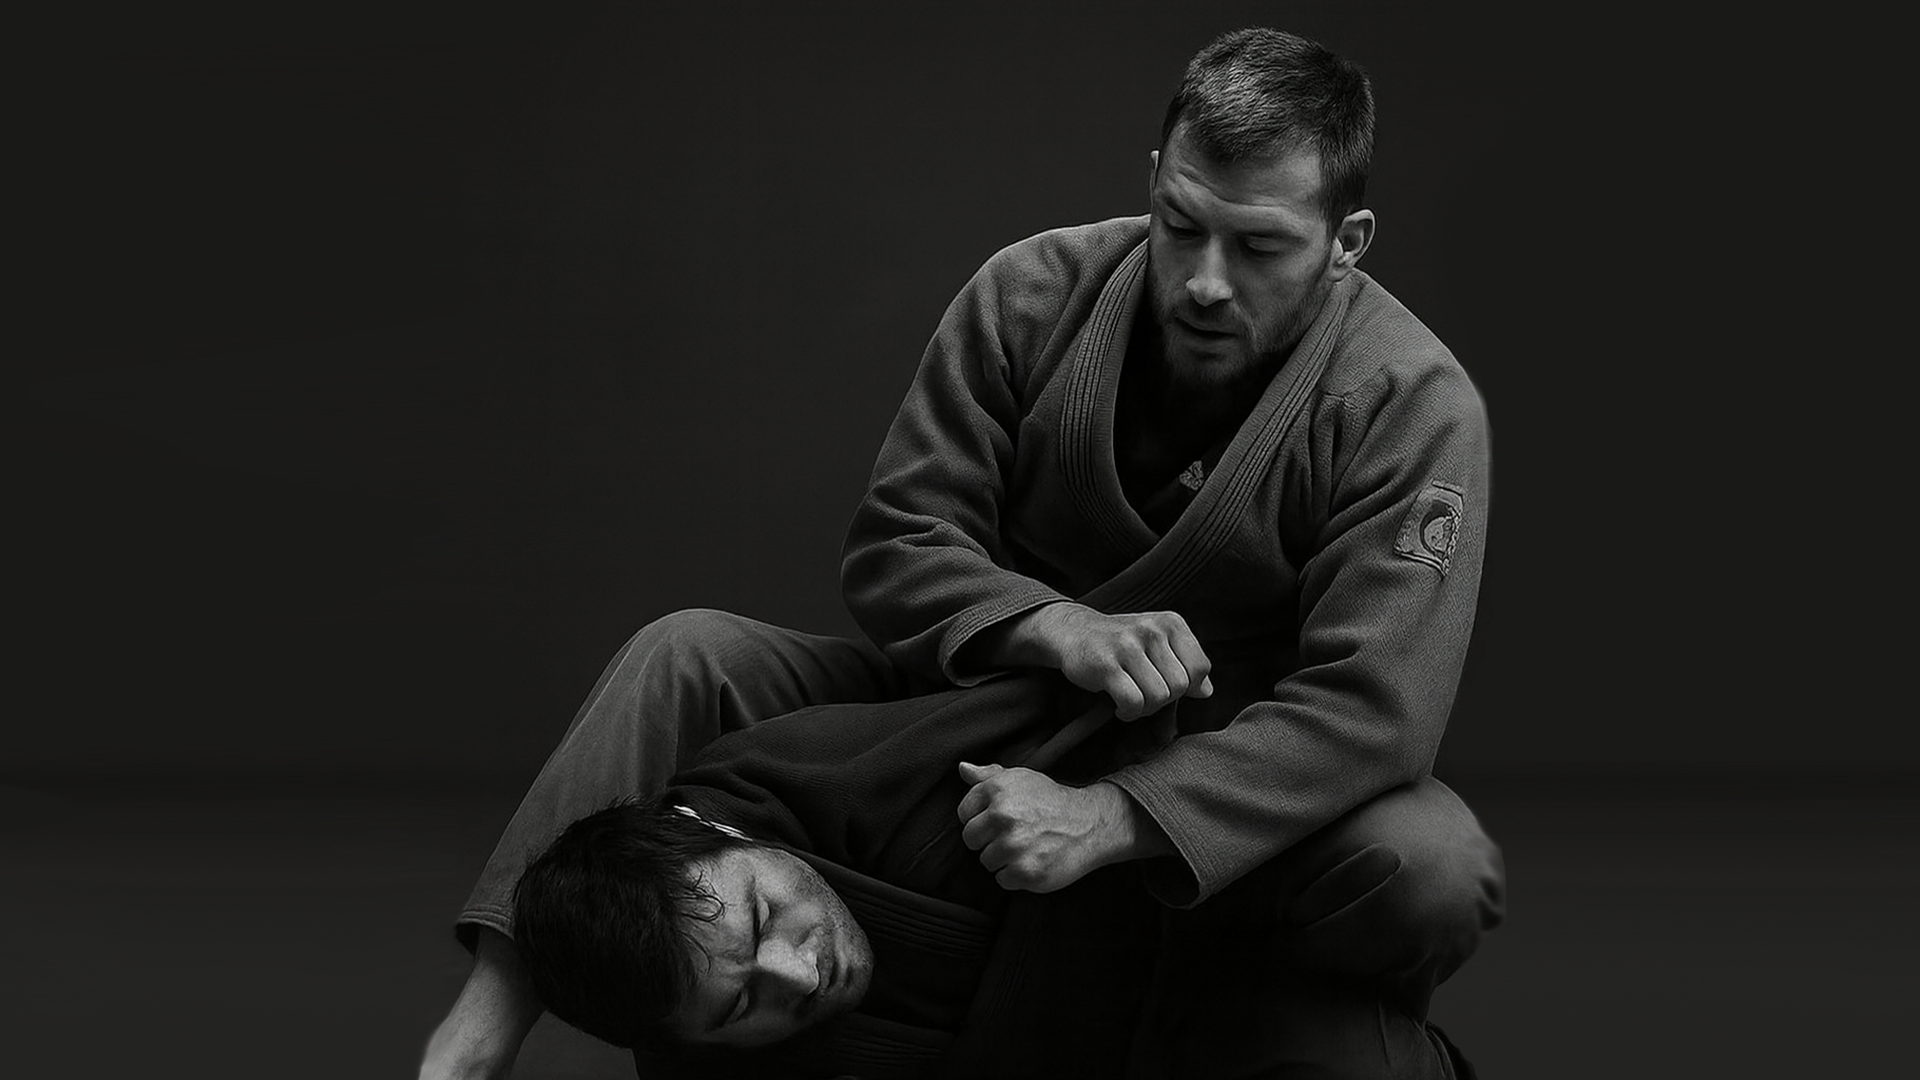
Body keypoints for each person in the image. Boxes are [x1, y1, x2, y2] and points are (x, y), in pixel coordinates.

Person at [420, 25, 1503, 1079]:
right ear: (1154, 181)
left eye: (1260, 247)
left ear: (1347, 241)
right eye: (1181, 225)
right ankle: (480, 1032)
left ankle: (1237, 1002)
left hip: (1217, 775)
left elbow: (1374, 708)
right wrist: (1055, 626)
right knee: (684, 654)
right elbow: (899, 544)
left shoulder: (1409, 400)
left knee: (1431, 865)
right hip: (962, 723)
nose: (1206, 281)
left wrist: (1114, 815)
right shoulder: (1030, 293)